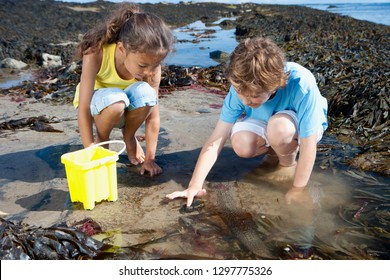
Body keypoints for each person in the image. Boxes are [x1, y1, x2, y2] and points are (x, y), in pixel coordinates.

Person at [167, 37, 328, 205]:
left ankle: (287, 164)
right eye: (239, 93)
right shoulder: (242, 85)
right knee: (242, 145)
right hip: (262, 118)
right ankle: (274, 149)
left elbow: (309, 144)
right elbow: (216, 140)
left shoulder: (302, 84)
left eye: (254, 96)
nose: (245, 101)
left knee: (279, 128)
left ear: (275, 84)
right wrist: (194, 185)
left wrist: (298, 188)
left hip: (294, 124)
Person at [73, 3, 173, 176]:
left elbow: (153, 116)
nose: (149, 72)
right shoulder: (96, 52)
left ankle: (129, 136)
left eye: (156, 65)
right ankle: (102, 141)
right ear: (121, 49)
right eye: (142, 65)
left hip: (127, 106)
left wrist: (150, 159)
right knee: (116, 101)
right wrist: (89, 148)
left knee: (147, 94)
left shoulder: (152, 69)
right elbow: (83, 108)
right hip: (98, 108)